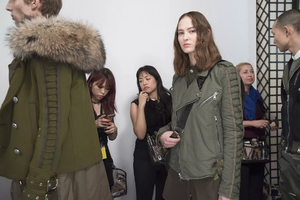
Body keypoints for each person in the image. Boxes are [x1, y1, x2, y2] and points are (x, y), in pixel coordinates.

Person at [0, 0, 112, 199]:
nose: (8, 6)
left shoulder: (49, 49)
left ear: (34, 2)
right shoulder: (43, 48)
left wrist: (36, 184)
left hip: (60, 176)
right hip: (56, 170)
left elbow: (53, 124)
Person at [157, 11, 244, 200]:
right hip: (177, 171)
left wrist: (229, 189)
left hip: (209, 176)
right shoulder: (178, 78)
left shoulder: (223, 72)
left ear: (206, 33)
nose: (185, 37)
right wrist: (161, 135)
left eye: (192, 31)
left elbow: (233, 133)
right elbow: (179, 122)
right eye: (180, 33)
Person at [236, 62, 278, 200]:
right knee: (243, 185)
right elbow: (229, 123)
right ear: (237, 75)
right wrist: (253, 123)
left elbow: (262, 116)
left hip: (258, 147)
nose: (250, 75)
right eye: (245, 72)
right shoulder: (234, 97)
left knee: (257, 185)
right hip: (241, 146)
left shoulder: (256, 95)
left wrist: (268, 123)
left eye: (251, 71)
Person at [130, 65, 172, 200]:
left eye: (147, 78)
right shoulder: (136, 104)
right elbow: (140, 134)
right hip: (144, 157)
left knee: (165, 195)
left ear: (157, 79)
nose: (144, 83)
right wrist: (142, 105)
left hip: (168, 156)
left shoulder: (169, 99)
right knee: (144, 196)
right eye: (140, 80)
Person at [272, 9, 300, 199]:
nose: (273, 40)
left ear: (287, 31)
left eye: (275, 35)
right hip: (290, 151)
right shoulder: (289, 67)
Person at [87, 68, 118, 189]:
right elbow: (72, 133)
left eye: (107, 89)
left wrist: (113, 130)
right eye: (100, 87)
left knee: (106, 189)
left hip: (104, 155)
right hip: (86, 156)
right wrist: (94, 125)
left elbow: (112, 138)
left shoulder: (107, 105)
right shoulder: (81, 103)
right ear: (90, 83)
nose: (103, 92)